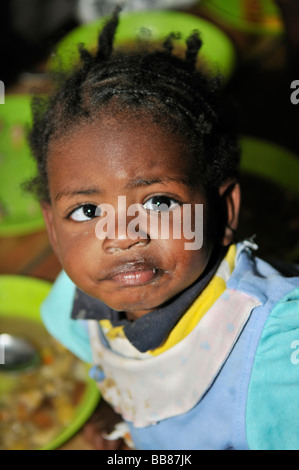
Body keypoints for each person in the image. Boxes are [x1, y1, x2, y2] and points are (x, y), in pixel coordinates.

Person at [26, 8, 299, 450]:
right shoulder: (78, 299)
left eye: (158, 201)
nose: (121, 235)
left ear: (225, 211)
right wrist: (121, 421)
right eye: (86, 211)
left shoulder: (276, 359)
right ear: (53, 230)